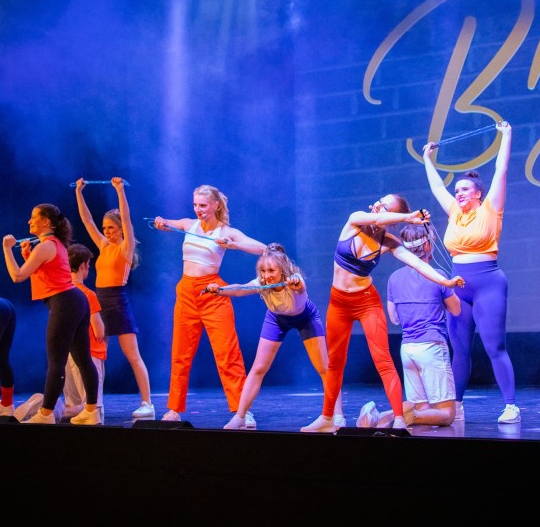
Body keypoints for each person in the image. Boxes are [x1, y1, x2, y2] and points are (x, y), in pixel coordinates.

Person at [301, 194, 464, 433]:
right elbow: (374, 217)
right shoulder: (355, 221)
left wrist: (446, 282)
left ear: (392, 218)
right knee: (334, 362)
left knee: (383, 361)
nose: (378, 205)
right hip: (339, 303)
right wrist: (409, 217)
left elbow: (418, 264)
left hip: (366, 302)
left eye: (385, 206)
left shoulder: (387, 241)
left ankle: (399, 418)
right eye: (380, 201)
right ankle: (328, 417)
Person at [422, 119, 519, 424]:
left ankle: (511, 405)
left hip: (488, 283)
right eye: (457, 190)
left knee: (494, 346)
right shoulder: (454, 213)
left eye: (464, 189)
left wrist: (506, 136)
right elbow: (437, 186)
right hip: (458, 285)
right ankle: (457, 406)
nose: (459, 193)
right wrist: (427, 159)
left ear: (478, 193)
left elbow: (501, 171)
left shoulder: (491, 208)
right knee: (459, 350)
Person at [153, 184, 266, 423]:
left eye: (203, 205)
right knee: (180, 353)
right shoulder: (189, 224)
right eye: (195, 205)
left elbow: (262, 248)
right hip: (186, 292)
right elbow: (168, 223)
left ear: (216, 205)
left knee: (227, 353)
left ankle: (241, 410)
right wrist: (161, 223)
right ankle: (174, 408)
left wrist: (233, 244)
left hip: (212, 292)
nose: (198, 210)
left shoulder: (226, 231)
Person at [205, 243, 346, 430]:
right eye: (263, 270)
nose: (266, 275)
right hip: (276, 319)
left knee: (324, 367)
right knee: (258, 368)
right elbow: (240, 289)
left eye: (271, 270)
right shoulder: (262, 284)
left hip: (306, 319)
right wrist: (220, 290)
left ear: (282, 270)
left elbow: (300, 285)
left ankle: (337, 416)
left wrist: (296, 283)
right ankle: (240, 417)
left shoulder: (294, 280)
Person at [2, 203, 100, 425]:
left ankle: (45, 414)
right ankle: (91, 410)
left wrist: (7, 249)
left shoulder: (46, 246)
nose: (29, 222)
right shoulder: (53, 245)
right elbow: (44, 271)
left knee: (57, 361)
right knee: (83, 358)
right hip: (75, 302)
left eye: (33, 217)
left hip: (65, 302)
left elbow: (17, 276)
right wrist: (28, 254)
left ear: (46, 222)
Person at [356, 223, 461, 429]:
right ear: (428, 246)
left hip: (408, 349)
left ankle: (384, 417)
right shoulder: (437, 275)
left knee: (421, 412)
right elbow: (456, 310)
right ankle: (389, 416)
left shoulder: (394, 279)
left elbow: (394, 318)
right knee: (447, 414)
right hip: (432, 346)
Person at [76, 176, 154, 420]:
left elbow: (128, 219)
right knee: (97, 356)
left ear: (120, 229)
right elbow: (87, 221)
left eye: (111, 227)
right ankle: (94, 403)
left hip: (118, 302)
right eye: (105, 228)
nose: (107, 232)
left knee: (133, 355)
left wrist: (120, 191)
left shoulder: (125, 248)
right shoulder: (103, 245)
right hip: (98, 303)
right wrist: (79, 192)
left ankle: (147, 403)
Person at [61, 243, 107, 423]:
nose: (88, 268)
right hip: (89, 354)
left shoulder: (62, 293)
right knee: (94, 407)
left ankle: (52, 409)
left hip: (67, 355)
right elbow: (99, 330)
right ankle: (53, 410)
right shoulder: (88, 295)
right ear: (82, 266)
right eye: (88, 265)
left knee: (73, 407)